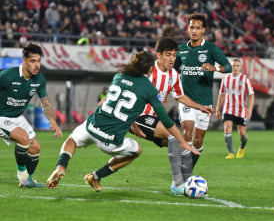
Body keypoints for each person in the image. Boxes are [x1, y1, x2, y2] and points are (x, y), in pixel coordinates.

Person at [46, 51, 200, 192]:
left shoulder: (119, 76)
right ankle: (96, 176)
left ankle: (61, 166)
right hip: (110, 139)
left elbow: (125, 106)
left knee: (72, 139)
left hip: (92, 125)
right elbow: (165, 120)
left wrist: (134, 125)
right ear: (149, 68)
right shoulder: (149, 88)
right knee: (136, 150)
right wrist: (183, 141)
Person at [129, 37, 214, 195]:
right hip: (138, 116)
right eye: (168, 55)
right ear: (158, 55)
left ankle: (186, 182)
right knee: (175, 137)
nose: (172, 59)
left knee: (183, 146)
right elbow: (127, 85)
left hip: (154, 119)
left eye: (174, 55)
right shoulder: (147, 70)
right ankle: (177, 184)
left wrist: (200, 106)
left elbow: (180, 96)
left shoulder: (174, 75)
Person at [173, 13, 232, 168]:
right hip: (187, 100)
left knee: (198, 140)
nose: (194, 31)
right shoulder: (181, 50)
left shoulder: (211, 49)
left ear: (203, 30)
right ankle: (180, 172)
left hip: (205, 102)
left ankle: (189, 167)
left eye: (198, 28)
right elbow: (171, 71)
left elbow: (228, 66)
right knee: (186, 134)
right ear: (187, 28)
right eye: (191, 27)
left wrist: (215, 68)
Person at [0, 41, 62, 188]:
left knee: (35, 148)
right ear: (24, 61)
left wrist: (52, 120)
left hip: (18, 117)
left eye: (39, 61)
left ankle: (28, 180)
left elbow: (45, 102)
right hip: (1, 116)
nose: (37, 65)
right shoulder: (8, 75)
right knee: (23, 138)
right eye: (33, 61)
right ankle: (22, 176)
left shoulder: (39, 79)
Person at [216, 58, 254, 159]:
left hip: (241, 109)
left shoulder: (245, 79)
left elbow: (251, 95)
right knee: (227, 128)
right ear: (231, 67)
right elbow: (222, 94)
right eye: (233, 65)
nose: (235, 67)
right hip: (228, 108)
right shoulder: (225, 78)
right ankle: (231, 153)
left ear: (240, 67)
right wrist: (217, 109)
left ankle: (242, 148)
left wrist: (250, 109)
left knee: (242, 133)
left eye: (237, 65)